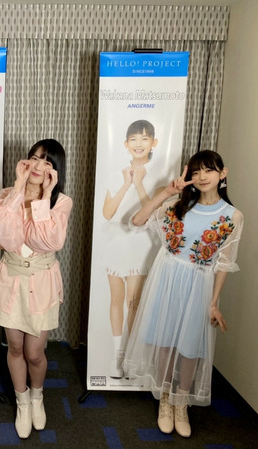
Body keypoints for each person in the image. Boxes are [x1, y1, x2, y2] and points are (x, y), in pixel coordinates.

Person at [123, 150, 243, 438]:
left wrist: (214, 303)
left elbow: (224, 263)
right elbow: (137, 220)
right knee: (165, 340)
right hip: (167, 278)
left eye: (209, 170)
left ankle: (181, 402)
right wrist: (166, 193)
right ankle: (165, 398)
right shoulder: (177, 207)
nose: (202, 177)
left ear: (223, 173)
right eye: (196, 171)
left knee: (190, 346)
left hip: (199, 283)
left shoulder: (233, 216)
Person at [0, 139, 72, 439]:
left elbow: (46, 241)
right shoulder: (7, 196)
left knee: (34, 352)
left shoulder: (61, 202)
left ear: (56, 170)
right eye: (35, 158)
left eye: (47, 162)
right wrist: (18, 188)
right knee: (15, 347)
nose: (38, 166)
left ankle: (37, 397)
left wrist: (44, 196)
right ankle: (22, 403)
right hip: (11, 280)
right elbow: (2, 236)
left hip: (41, 283)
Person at [101, 119, 166, 378]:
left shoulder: (160, 177)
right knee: (116, 299)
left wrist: (139, 183)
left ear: (154, 142)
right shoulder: (116, 173)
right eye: (134, 139)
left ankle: (131, 356)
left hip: (141, 245)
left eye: (144, 138)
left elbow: (154, 214)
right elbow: (107, 213)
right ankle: (118, 354)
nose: (139, 144)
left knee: (134, 303)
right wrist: (127, 183)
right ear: (126, 144)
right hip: (116, 243)